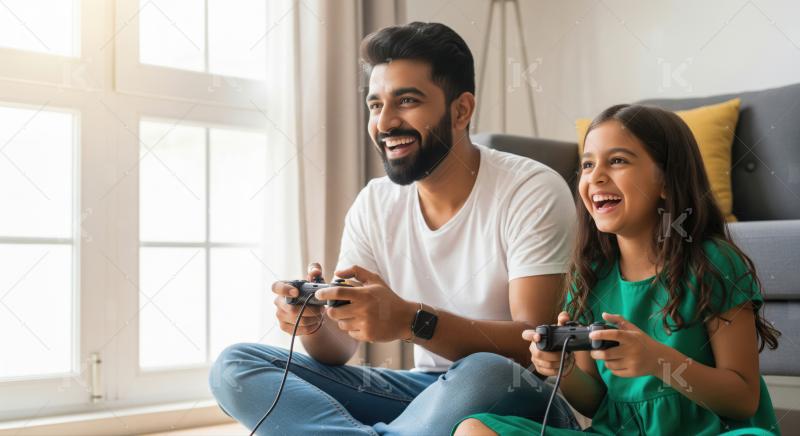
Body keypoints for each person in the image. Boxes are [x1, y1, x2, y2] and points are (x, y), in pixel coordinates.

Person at [209, 22, 579, 435]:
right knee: (236, 365)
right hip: (423, 393)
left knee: (487, 370)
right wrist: (315, 323)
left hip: (512, 396)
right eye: (375, 105)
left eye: (406, 101)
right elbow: (340, 350)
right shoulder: (375, 200)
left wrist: (410, 320)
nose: (385, 123)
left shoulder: (532, 189)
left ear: (461, 110)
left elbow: (534, 347)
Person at [454, 104, 782, 436]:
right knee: (474, 429)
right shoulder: (590, 275)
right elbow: (594, 402)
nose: (595, 176)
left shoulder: (712, 263)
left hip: (710, 431)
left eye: (618, 161)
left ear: (666, 181)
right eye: (587, 164)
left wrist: (659, 362)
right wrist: (564, 369)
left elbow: (743, 399)